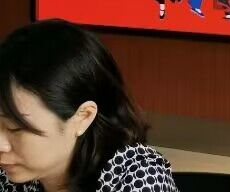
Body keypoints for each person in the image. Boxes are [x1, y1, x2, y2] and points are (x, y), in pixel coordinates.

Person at [0, 19, 177, 191]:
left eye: (15, 128)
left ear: (83, 117)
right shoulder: (10, 171)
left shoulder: (140, 180)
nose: (1, 145)